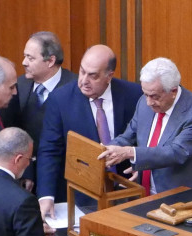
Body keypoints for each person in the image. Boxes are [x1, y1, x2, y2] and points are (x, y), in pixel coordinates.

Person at [36, 44, 142, 219]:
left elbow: (144, 137)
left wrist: (143, 166)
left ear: (109, 76)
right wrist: (46, 195)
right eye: (82, 71)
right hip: (82, 196)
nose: (84, 80)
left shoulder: (133, 94)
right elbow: (49, 150)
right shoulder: (60, 100)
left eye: (92, 76)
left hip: (127, 193)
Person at [98, 57, 192, 195]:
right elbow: (129, 136)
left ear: (173, 92)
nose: (148, 102)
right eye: (145, 94)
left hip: (184, 199)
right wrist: (107, 150)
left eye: (154, 96)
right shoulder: (144, 103)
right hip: (144, 194)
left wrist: (129, 152)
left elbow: (175, 153)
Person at [1, 32, 77, 191]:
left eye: (30, 58)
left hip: (62, 180)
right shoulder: (18, 86)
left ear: (50, 61)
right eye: (24, 56)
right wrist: (26, 169)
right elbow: (13, 130)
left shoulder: (75, 88)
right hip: (23, 177)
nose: (24, 62)